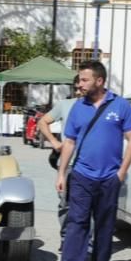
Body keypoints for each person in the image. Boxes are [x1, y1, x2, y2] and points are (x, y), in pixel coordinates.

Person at [55, 60, 131, 261]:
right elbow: (69, 141)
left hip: (110, 177)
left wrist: (121, 172)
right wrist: (62, 173)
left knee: (105, 224)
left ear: (99, 81)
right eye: (79, 80)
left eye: (84, 80)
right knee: (77, 222)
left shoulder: (120, 105)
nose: (79, 84)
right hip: (82, 175)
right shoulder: (77, 107)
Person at [38, 76, 84, 241]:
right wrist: (54, 142)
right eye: (76, 88)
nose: (79, 92)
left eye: (82, 87)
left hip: (88, 165)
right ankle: (66, 238)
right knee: (65, 203)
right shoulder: (65, 105)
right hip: (68, 164)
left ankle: (87, 243)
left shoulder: (98, 107)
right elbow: (42, 122)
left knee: (87, 205)